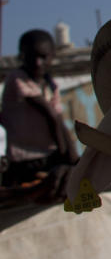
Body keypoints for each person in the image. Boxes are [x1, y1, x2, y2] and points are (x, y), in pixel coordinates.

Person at [1, 30, 78, 199]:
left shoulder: (51, 85)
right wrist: (70, 157)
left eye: (43, 57)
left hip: (49, 157)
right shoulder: (17, 79)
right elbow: (50, 114)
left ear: (52, 56)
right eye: (31, 57)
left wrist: (75, 161)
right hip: (24, 161)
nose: (37, 63)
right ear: (22, 56)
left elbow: (59, 121)